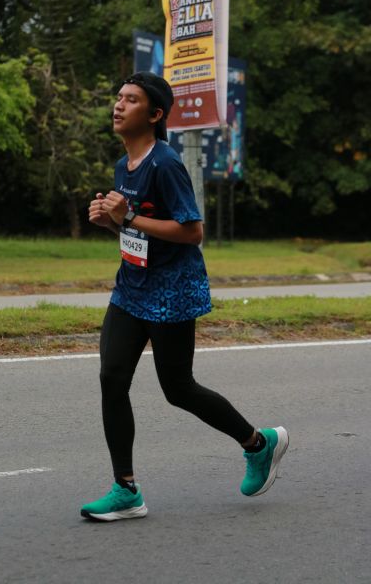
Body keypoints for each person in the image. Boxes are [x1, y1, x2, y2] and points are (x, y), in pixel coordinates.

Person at [81, 72, 288, 522]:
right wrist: (111, 223)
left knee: (178, 389)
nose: (118, 105)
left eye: (131, 100)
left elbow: (192, 231)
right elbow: (138, 232)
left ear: (155, 114)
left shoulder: (166, 164)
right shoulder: (124, 165)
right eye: (118, 97)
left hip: (171, 292)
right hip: (131, 288)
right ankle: (125, 490)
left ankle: (258, 443)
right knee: (112, 378)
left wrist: (127, 217)